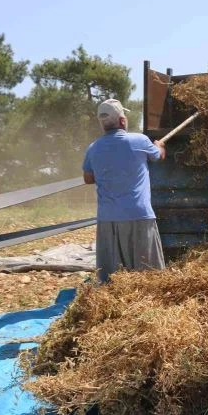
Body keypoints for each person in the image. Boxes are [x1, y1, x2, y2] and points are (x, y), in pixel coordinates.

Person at [82, 99, 167, 283]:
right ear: (122, 121)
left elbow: (88, 178)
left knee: (112, 280)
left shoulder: (93, 149)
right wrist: (159, 146)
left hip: (108, 219)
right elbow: (157, 156)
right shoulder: (140, 141)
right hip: (139, 216)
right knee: (149, 276)